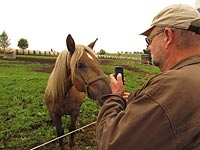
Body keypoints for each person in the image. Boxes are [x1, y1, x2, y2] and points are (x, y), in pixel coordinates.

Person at [96, 4, 200, 150]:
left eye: (149, 40)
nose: (148, 48)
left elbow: (110, 142)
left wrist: (115, 97)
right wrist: (134, 98)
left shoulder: (170, 85)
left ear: (168, 36)